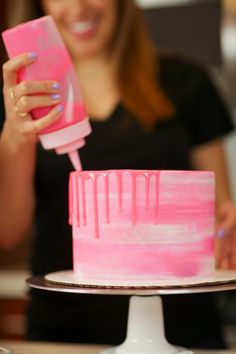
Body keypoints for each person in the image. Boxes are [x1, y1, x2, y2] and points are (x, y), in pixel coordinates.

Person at [0, 0, 236, 349]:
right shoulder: (23, 101)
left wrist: (225, 230)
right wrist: (15, 137)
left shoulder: (186, 82)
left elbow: (218, 214)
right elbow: (7, 231)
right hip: (65, 338)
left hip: (181, 335)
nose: (78, 7)